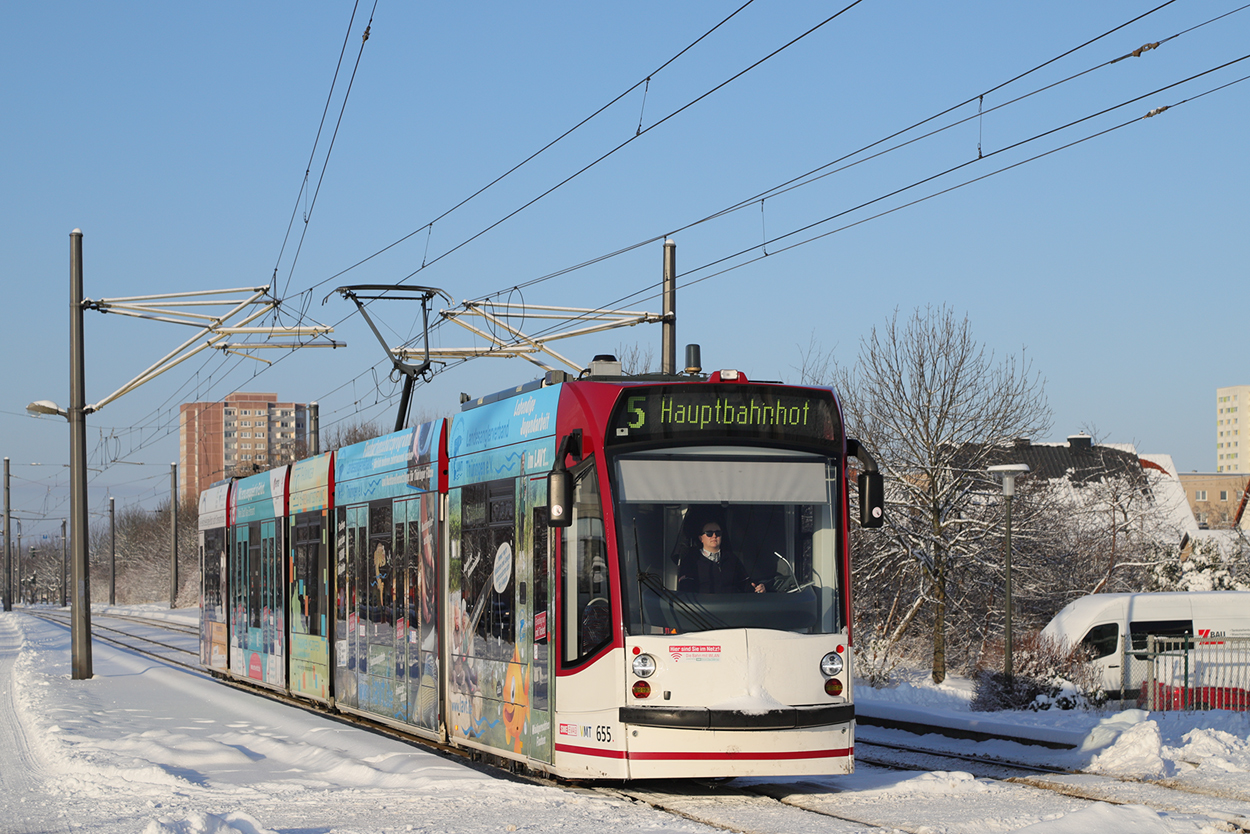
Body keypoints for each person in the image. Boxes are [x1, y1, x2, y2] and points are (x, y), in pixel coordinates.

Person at [677, 521, 765, 594]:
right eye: (709, 533)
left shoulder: (732, 559)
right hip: (701, 612)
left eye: (718, 533)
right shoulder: (692, 561)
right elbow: (686, 592)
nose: (714, 536)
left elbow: (746, 584)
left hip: (732, 610)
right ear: (701, 538)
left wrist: (759, 588)